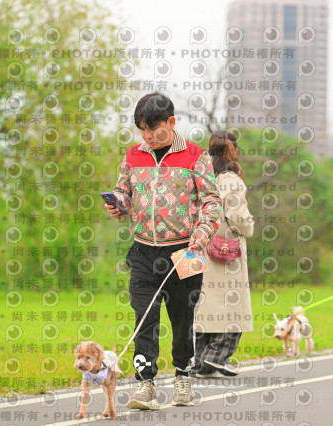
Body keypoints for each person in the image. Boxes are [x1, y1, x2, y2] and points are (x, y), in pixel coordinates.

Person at [105, 92, 222, 409]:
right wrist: (119, 204)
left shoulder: (195, 156)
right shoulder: (133, 156)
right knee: (144, 318)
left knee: (183, 319)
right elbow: (123, 190)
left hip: (185, 252)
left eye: (153, 129)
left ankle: (183, 377)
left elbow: (212, 201)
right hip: (143, 252)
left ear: (171, 122)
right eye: (142, 130)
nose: (147, 137)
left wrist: (203, 231)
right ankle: (145, 384)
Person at [193, 130, 254, 378]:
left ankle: (199, 362)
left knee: (202, 306)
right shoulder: (232, 181)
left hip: (196, 248)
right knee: (233, 306)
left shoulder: (201, 176)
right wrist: (249, 225)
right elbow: (239, 219)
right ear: (234, 151)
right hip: (225, 251)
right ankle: (217, 356)